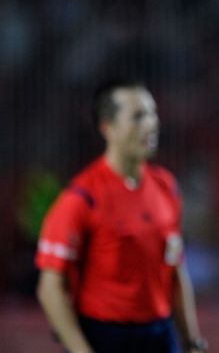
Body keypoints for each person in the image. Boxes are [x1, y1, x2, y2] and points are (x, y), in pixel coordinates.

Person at [35, 79, 207, 353]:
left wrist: (192, 341)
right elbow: (50, 288)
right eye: (138, 116)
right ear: (108, 128)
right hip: (107, 335)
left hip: (160, 334)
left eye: (152, 113)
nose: (151, 124)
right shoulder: (81, 198)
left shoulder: (166, 187)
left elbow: (176, 269)